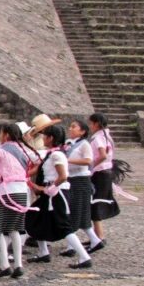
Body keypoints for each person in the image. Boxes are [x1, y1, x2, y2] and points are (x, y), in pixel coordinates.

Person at [24, 125, 92, 269]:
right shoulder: (51, 153)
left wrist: (48, 188)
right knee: (35, 216)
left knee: (63, 225)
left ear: (51, 138)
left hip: (57, 193)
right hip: (50, 192)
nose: (43, 138)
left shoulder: (57, 155)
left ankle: (84, 256)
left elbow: (63, 176)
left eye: (45, 136)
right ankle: (43, 252)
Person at [0, 123, 38, 279]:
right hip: (21, 190)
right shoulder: (24, 150)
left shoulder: (1, 150)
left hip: (5, 191)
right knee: (15, 228)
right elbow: (37, 159)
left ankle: (4, 265)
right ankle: (18, 264)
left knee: (0, 229)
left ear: (6, 135)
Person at [61, 120, 95, 258]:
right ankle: (94, 240)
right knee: (76, 211)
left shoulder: (85, 144)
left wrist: (67, 160)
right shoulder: (69, 143)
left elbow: (88, 160)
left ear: (82, 131)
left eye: (74, 127)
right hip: (71, 179)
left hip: (80, 179)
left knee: (75, 211)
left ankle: (72, 246)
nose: (71, 128)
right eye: (71, 126)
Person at [88, 112, 119, 250]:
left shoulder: (98, 138)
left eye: (91, 123)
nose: (90, 126)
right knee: (96, 203)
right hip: (105, 172)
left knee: (95, 203)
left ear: (96, 124)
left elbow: (102, 155)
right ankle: (96, 236)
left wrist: (91, 166)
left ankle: (99, 237)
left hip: (99, 173)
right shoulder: (106, 136)